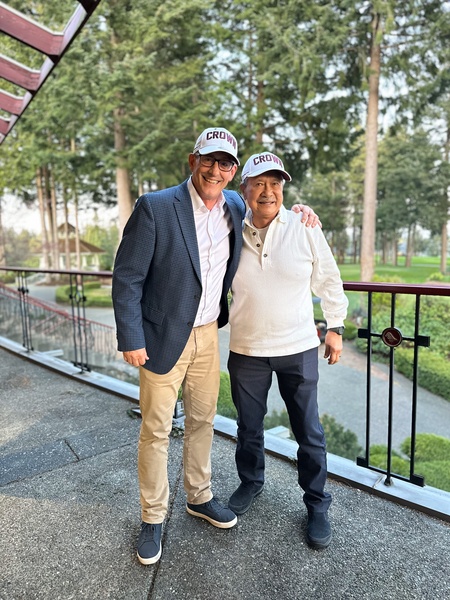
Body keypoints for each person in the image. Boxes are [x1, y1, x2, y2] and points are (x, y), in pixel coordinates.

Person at [112, 128, 319, 565]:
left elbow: (271, 211)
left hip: (208, 334)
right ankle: (153, 516)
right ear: (193, 161)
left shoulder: (236, 207)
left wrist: (303, 211)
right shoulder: (155, 207)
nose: (215, 170)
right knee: (156, 430)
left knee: (203, 422)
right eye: (209, 159)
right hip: (160, 338)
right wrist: (131, 337)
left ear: (233, 171)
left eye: (226, 163)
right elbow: (128, 278)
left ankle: (199, 496)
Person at [227, 151, 348, 550]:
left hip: (298, 348)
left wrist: (335, 327)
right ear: (243, 188)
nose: (268, 191)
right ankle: (251, 482)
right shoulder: (228, 227)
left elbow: (329, 279)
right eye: (259, 183)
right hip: (247, 349)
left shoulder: (304, 225)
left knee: (308, 432)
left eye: (275, 184)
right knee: (248, 427)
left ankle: (317, 503)